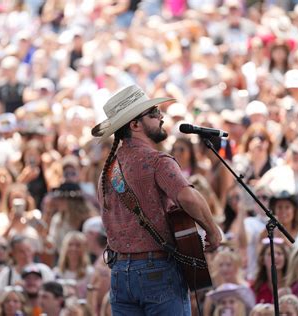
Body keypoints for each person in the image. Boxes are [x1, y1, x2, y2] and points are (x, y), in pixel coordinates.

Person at [90, 85, 223, 315]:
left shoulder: (108, 171)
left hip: (120, 272)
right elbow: (188, 197)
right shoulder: (157, 161)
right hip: (157, 271)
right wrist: (212, 230)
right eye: (153, 112)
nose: (161, 116)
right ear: (134, 125)